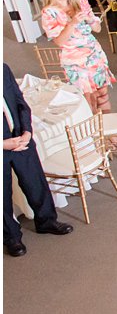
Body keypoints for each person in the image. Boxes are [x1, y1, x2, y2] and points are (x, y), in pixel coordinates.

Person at [3, 63, 75, 258]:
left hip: (20, 138)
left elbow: (20, 102)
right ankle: (11, 237)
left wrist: (27, 131)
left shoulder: (3, 69)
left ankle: (46, 221)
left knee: (35, 181)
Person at [38, 0, 114, 113]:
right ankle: (97, 132)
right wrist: (72, 23)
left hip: (94, 54)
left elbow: (97, 29)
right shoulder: (49, 13)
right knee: (89, 98)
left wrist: (90, 18)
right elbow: (59, 41)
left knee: (103, 93)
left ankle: (110, 131)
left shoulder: (79, 2)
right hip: (76, 62)